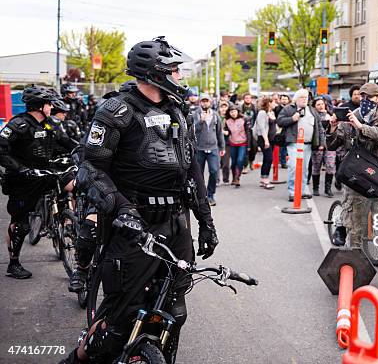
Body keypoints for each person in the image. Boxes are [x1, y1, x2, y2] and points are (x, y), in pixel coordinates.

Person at [59, 37, 218, 364]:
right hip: (132, 229)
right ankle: (78, 358)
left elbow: (192, 173)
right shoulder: (117, 110)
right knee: (119, 322)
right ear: (153, 73)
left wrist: (206, 222)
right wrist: (123, 212)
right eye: (173, 70)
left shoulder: (177, 111)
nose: (178, 77)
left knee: (175, 312)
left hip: (175, 225)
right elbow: (90, 168)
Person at [328, 83, 378, 296]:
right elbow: (333, 145)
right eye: (365, 97)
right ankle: (357, 272)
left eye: (373, 98)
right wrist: (334, 127)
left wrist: (361, 126)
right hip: (355, 178)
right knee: (355, 228)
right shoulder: (349, 116)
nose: (369, 101)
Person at [0, 85, 75, 279]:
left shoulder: (48, 124)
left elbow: (65, 142)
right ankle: (13, 263)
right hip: (22, 180)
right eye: (49, 103)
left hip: (46, 173)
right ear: (40, 106)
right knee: (20, 224)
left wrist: (83, 150)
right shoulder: (19, 125)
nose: (52, 107)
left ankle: (66, 219)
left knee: (75, 184)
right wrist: (21, 169)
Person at [277, 89, 325, 202]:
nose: (304, 99)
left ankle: (302, 190)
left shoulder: (312, 111)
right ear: (296, 99)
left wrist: (322, 142)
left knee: (304, 168)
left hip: (308, 144)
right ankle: (292, 191)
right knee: (294, 166)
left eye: (306, 97)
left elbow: (319, 127)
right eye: (302, 97)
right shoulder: (289, 109)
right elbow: (279, 121)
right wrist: (292, 119)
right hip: (294, 142)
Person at [194, 93, 225, 206]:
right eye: (203, 101)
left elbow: (219, 132)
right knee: (199, 174)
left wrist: (222, 147)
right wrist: (201, 121)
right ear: (200, 102)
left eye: (207, 101)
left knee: (214, 171)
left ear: (210, 102)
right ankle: (201, 196)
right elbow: (192, 131)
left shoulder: (215, 115)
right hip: (199, 148)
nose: (205, 103)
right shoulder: (195, 114)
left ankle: (211, 195)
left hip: (213, 148)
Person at [311, 96, 336, 197]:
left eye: (322, 104)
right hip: (317, 145)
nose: (321, 106)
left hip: (330, 145)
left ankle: (328, 188)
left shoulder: (330, 114)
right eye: (318, 104)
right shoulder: (313, 116)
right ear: (314, 107)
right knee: (316, 166)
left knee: (330, 165)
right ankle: (315, 188)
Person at [225, 104, 251, 187]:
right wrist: (226, 132)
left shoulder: (244, 119)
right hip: (232, 143)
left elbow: (248, 132)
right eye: (231, 112)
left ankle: (237, 177)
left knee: (240, 160)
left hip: (242, 143)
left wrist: (249, 145)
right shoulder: (227, 121)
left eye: (234, 111)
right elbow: (228, 131)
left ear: (238, 112)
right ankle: (233, 177)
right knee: (233, 162)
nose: (233, 113)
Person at [255, 97, 277, 189]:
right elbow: (262, 127)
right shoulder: (262, 113)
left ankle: (263, 178)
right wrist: (266, 140)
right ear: (269, 103)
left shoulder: (271, 112)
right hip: (264, 138)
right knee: (269, 158)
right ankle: (265, 178)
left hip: (271, 139)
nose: (275, 104)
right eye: (274, 102)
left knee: (267, 159)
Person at [239, 93, 257, 173]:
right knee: (245, 148)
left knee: (254, 147)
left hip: (253, 130)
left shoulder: (254, 107)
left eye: (249, 98)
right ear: (244, 99)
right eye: (246, 98)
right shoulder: (241, 107)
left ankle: (251, 161)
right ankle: (245, 166)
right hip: (243, 130)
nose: (248, 99)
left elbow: (257, 118)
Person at [275, 94, 291, 169]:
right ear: (280, 100)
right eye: (283, 99)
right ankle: (283, 162)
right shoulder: (277, 108)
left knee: (289, 146)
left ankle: (286, 161)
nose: (284, 100)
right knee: (282, 146)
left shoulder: (291, 108)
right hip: (280, 129)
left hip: (289, 128)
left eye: (286, 99)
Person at [218, 101, 231, 185]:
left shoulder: (230, 118)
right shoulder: (216, 117)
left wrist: (227, 132)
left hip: (226, 142)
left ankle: (226, 179)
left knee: (226, 163)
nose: (223, 109)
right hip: (216, 143)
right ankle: (216, 180)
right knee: (216, 164)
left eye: (225, 107)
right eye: (222, 107)